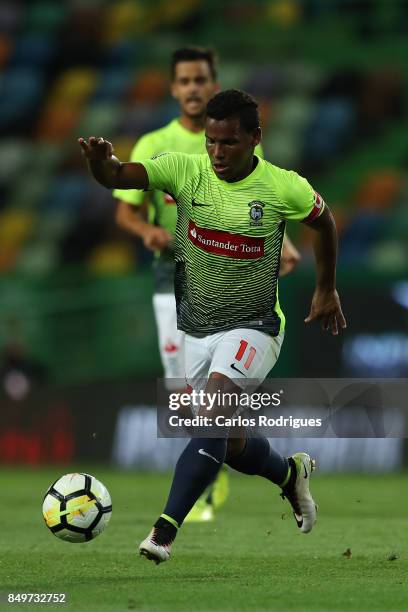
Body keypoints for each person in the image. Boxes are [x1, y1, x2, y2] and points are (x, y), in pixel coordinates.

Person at [79, 88, 346, 565]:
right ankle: (289, 475)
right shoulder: (185, 171)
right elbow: (118, 176)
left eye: (230, 143)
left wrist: (325, 288)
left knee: (215, 411)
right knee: (228, 439)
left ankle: (163, 532)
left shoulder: (282, 186)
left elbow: (324, 223)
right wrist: (102, 162)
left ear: (255, 139)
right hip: (195, 330)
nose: (218, 152)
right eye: (212, 141)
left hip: (255, 325)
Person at [113, 47, 299, 522]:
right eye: (185, 80)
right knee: (188, 397)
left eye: (201, 79)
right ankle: (265, 469)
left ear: (212, 84)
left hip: (234, 287)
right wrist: (146, 232)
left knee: (212, 404)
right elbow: (124, 210)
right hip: (172, 281)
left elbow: (264, 199)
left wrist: (288, 244)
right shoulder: (157, 143)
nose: (193, 87)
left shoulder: (234, 138)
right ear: (174, 89)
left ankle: (200, 493)